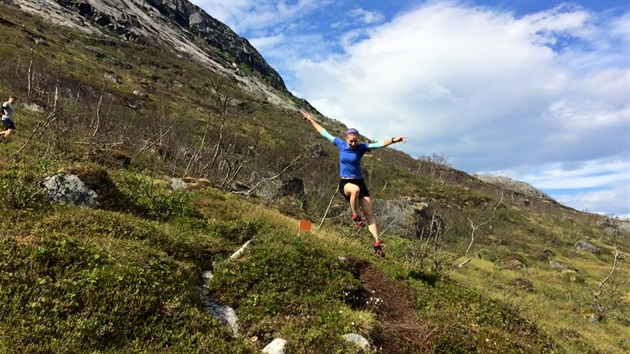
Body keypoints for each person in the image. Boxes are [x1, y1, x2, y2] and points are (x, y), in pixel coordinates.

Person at [303, 112, 406, 257]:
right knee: (355, 190)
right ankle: (354, 215)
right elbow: (324, 132)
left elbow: (378, 144)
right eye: (351, 141)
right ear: (346, 139)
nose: (353, 143)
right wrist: (311, 120)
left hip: (360, 181)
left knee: (370, 214)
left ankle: (377, 244)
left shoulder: (361, 148)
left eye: (355, 141)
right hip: (346, 182)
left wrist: (395, 139)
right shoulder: (340, 143)